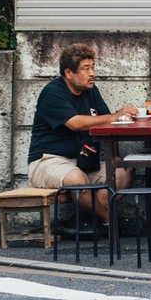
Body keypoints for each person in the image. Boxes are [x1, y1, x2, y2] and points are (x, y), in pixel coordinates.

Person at [27, 43, 135, 224]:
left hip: (84, 161)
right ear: (69, 73)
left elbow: (106, 122)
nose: (92, 73)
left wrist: (115, 154)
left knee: (124, 171)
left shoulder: (90, 91)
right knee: (77, 179)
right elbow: (75, 123)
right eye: (86, 68)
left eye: (93, 67)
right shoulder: (53, 92)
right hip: (48, 161)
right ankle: (111, 223)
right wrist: (115, 115)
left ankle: (93, 219)